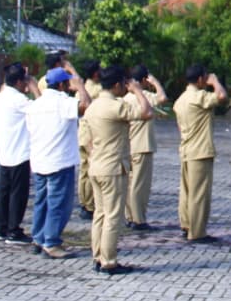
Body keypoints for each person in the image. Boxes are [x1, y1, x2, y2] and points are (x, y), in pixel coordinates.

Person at [85, 65, 153, 274]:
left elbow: (86, 141)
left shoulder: (92, 106)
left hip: (96, 165)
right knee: (113, 216)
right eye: (124, 83)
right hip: (113, 168)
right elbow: (146, 111)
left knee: (100, 214)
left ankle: (97, 256)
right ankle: (109, 261)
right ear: (116, 85)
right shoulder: (114, 107)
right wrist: (138, 90)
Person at [24, 64, 89, 259]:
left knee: (41, 201)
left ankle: (38, 237)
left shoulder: (35, 104)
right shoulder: (63, 102)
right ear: (61, 85)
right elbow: (86, 106)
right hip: (59, 160)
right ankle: (51, 242)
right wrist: (81, 88)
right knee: (58, 204)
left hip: (39, 159)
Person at [174, 64, 227, 243]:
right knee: (199, 194)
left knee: (186, 191)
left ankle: (186, 224)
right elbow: (221, 97)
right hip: (200, 150)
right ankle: (197, 232)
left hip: (186, 148)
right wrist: (215, 82)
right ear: (200, 80)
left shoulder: (181, 99)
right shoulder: (199, 97)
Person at [0, 62, 37, 244]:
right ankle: (13, 229)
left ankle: (2, 227)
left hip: (5, 151)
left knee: (4, 192)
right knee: (18, 194)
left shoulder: (0, 98)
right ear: (19, 82)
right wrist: (34, 88)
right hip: (19, 152)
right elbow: (41, 108)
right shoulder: (19, 100)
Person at [124, 64, 165, 231]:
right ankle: (139, 219)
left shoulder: (125, 98)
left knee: (130, 183)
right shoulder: (144, 95)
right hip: (143, 146)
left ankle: (129, 216)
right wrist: (155, 83)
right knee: (140, 186)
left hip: (129, 146)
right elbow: (162, 98)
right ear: (143, 80)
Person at [75, 59, 102, 222]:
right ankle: (89, 204)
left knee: (84, 171)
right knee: (90, 170)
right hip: (91, 134)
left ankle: (84, 202)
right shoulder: (97, 89)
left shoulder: (82, 88)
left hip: (82, 132)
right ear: (95, 73)